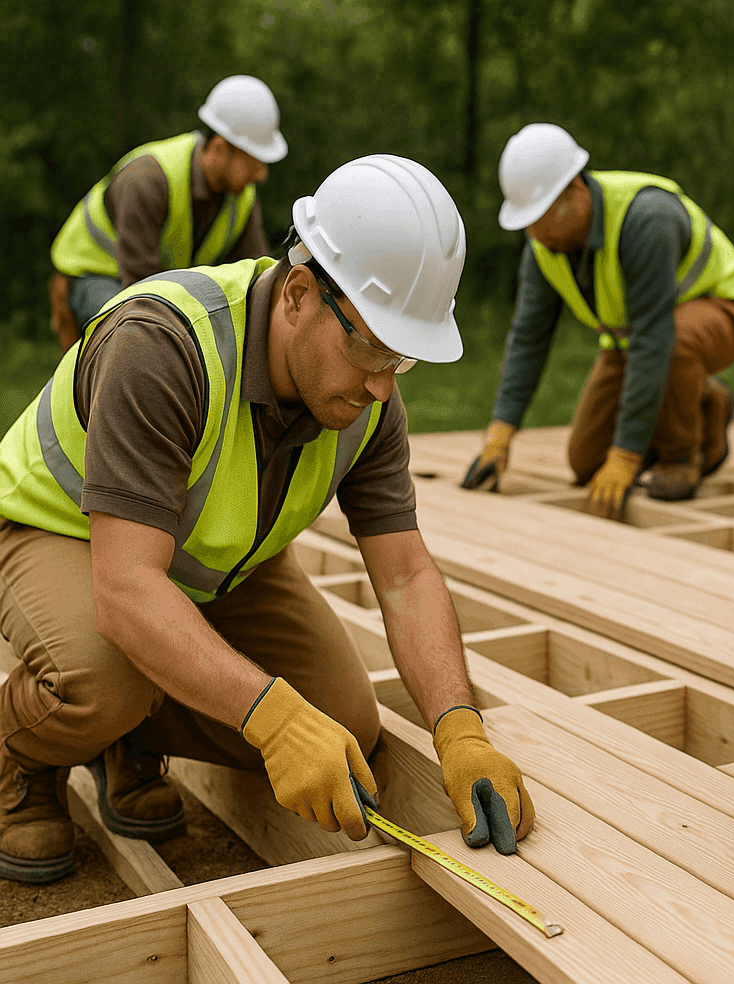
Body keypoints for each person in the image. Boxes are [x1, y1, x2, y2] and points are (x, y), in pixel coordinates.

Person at [0, 155, 533, 883]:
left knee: (348, 720)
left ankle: (127, 740)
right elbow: (126, 588)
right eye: (372, 345)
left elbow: (406, 576)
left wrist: (460, 728)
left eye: (403, 359)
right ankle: (22, 755)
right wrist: (270, 718)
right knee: (101, 682)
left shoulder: (367, 399)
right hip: (58, 528)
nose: (383, 384)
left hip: (208, 566)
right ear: (298, 294)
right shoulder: (162, 345)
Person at [461, 123, 734, 516]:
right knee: (586, 463)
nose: (534, 232)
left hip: (718, 313)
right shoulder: (544, 247)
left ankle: (683, 453)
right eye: (527, 220)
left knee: (676, 344)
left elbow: (655, 336)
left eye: (542, 216)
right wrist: (500, 434)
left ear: (576, 192)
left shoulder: (646, 219)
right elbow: (529, 338)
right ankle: (698, 399)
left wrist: (628, 456)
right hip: (635, 342)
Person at [47, 74, 284, 351]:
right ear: (220, 147)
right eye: (254, 161)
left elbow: (254, 280)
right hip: (93, 274)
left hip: (153, 287)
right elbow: (141, 289)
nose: (262, 175)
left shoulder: (241, 196)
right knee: (134, 335)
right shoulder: (148, 179)